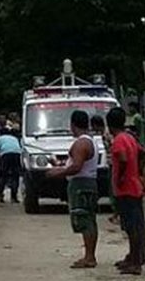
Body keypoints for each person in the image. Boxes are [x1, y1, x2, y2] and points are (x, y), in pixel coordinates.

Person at [46, 110, 100, 269]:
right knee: (88, 219)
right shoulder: (89, 141)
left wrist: (58, 173)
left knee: (84, 219)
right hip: (87, 182)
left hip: (81, 185)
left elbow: (76, 167)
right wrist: (59, 165)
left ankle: (89, 257)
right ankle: (89, 255)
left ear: (73, 124)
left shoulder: (81, 143)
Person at [108, 106, 145, 275]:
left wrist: (120, 178)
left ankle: (136, 262)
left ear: (109, 125)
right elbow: (143, 154)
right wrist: (138, 173)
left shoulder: (118, 140)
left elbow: (123, 159)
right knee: (133, 225)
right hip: (135, 186)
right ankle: (133, 256)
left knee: (131, 227)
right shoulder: (130, 138)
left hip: (126, 190)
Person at [0, 126, 22, 203]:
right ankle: (14, 197)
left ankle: (0, 196)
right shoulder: (14, 138)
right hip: (17, 154)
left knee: (2, 175)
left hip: (6, 155)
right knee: (15, 176)